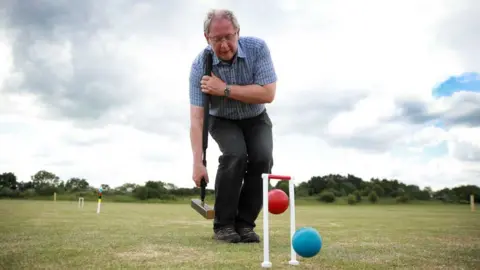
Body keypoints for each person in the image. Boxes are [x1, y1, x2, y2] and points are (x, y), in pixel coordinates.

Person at [188, 9, 277, 243]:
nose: (224, 44)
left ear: (238, 32)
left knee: (262, 159)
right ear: (207, 38)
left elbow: (268, 93)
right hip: (222, 119)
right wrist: (197, 162)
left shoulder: (257, 49)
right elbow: (197, 119)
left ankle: (245, 224)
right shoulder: (200, 66)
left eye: (229, 36)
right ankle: (224, 225)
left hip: (256, 116)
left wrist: (224, 89)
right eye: (217, 39)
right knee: (235, 155)